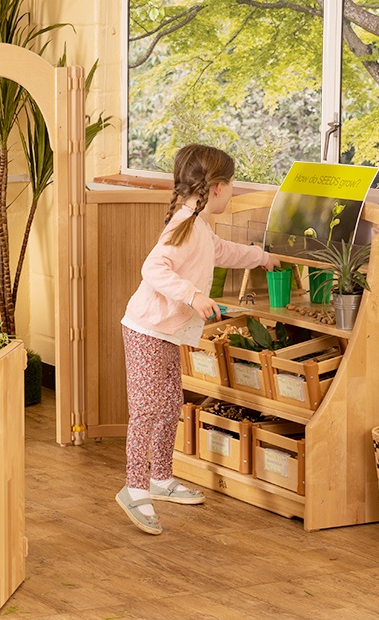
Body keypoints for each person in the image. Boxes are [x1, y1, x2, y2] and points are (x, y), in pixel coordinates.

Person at [117, 143, 275, 535]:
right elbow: (153, 268)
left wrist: (259, 257)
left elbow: (222, 251)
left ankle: (161, 478)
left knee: (170, 404)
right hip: (146, 331)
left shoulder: (197, 225)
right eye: (233, 185)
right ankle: (134, 488)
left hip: (166, 334)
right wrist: (194, 295)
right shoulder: (182, 226)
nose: (233, 192)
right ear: (217, 187)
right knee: (147, 410)